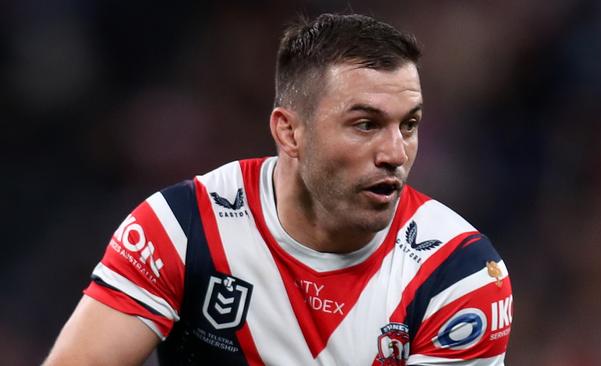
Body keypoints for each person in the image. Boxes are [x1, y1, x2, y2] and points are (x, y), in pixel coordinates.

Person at [44, 13, 513, 365]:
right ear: (290, 133)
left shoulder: (459, 276)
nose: (396, 151)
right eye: (365, 124)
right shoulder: (184, 228)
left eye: (408, 125)